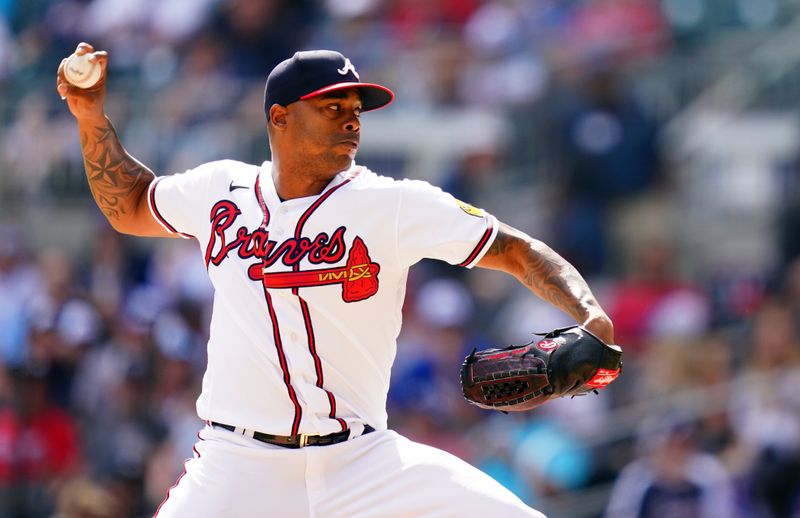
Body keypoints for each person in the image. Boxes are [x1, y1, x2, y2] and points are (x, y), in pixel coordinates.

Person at [57, 42, 615, 518]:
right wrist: (90, 119)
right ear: (279, 117)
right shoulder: (218, 191)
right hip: (238, 467)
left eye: (355, 107)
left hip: (365, 464)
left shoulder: (391, 204)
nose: (351, 118)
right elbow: (129, 203)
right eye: (331, 106)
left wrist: (590, 315)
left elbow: (517, 250)